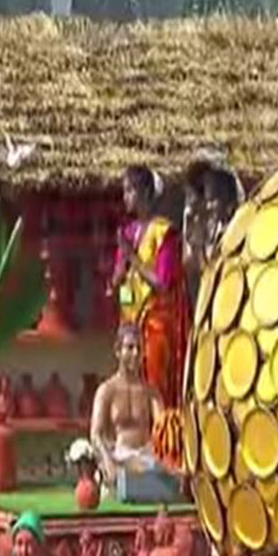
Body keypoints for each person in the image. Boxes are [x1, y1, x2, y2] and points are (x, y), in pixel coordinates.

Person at [112, 165, 188, 469]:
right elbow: (119, 276)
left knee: (155, 385)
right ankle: (134, 453)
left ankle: (163, 454)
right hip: (130, 323)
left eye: (130, 190)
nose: (125, 197)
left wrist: (132, 258)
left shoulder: (163, 232)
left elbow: (162, 281)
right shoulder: (127, 233)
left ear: (144, 192)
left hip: (156, 321)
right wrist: (118, 272)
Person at [90, 323, 162, 485]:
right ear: (118, 351)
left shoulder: (151, 392)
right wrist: (107, 460)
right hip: (117, 456)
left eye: (139, 348)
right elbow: (96, 435)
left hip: (146, 458)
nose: (135, 354)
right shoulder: (106, 390)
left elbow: (163, 430)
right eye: (129, 348)